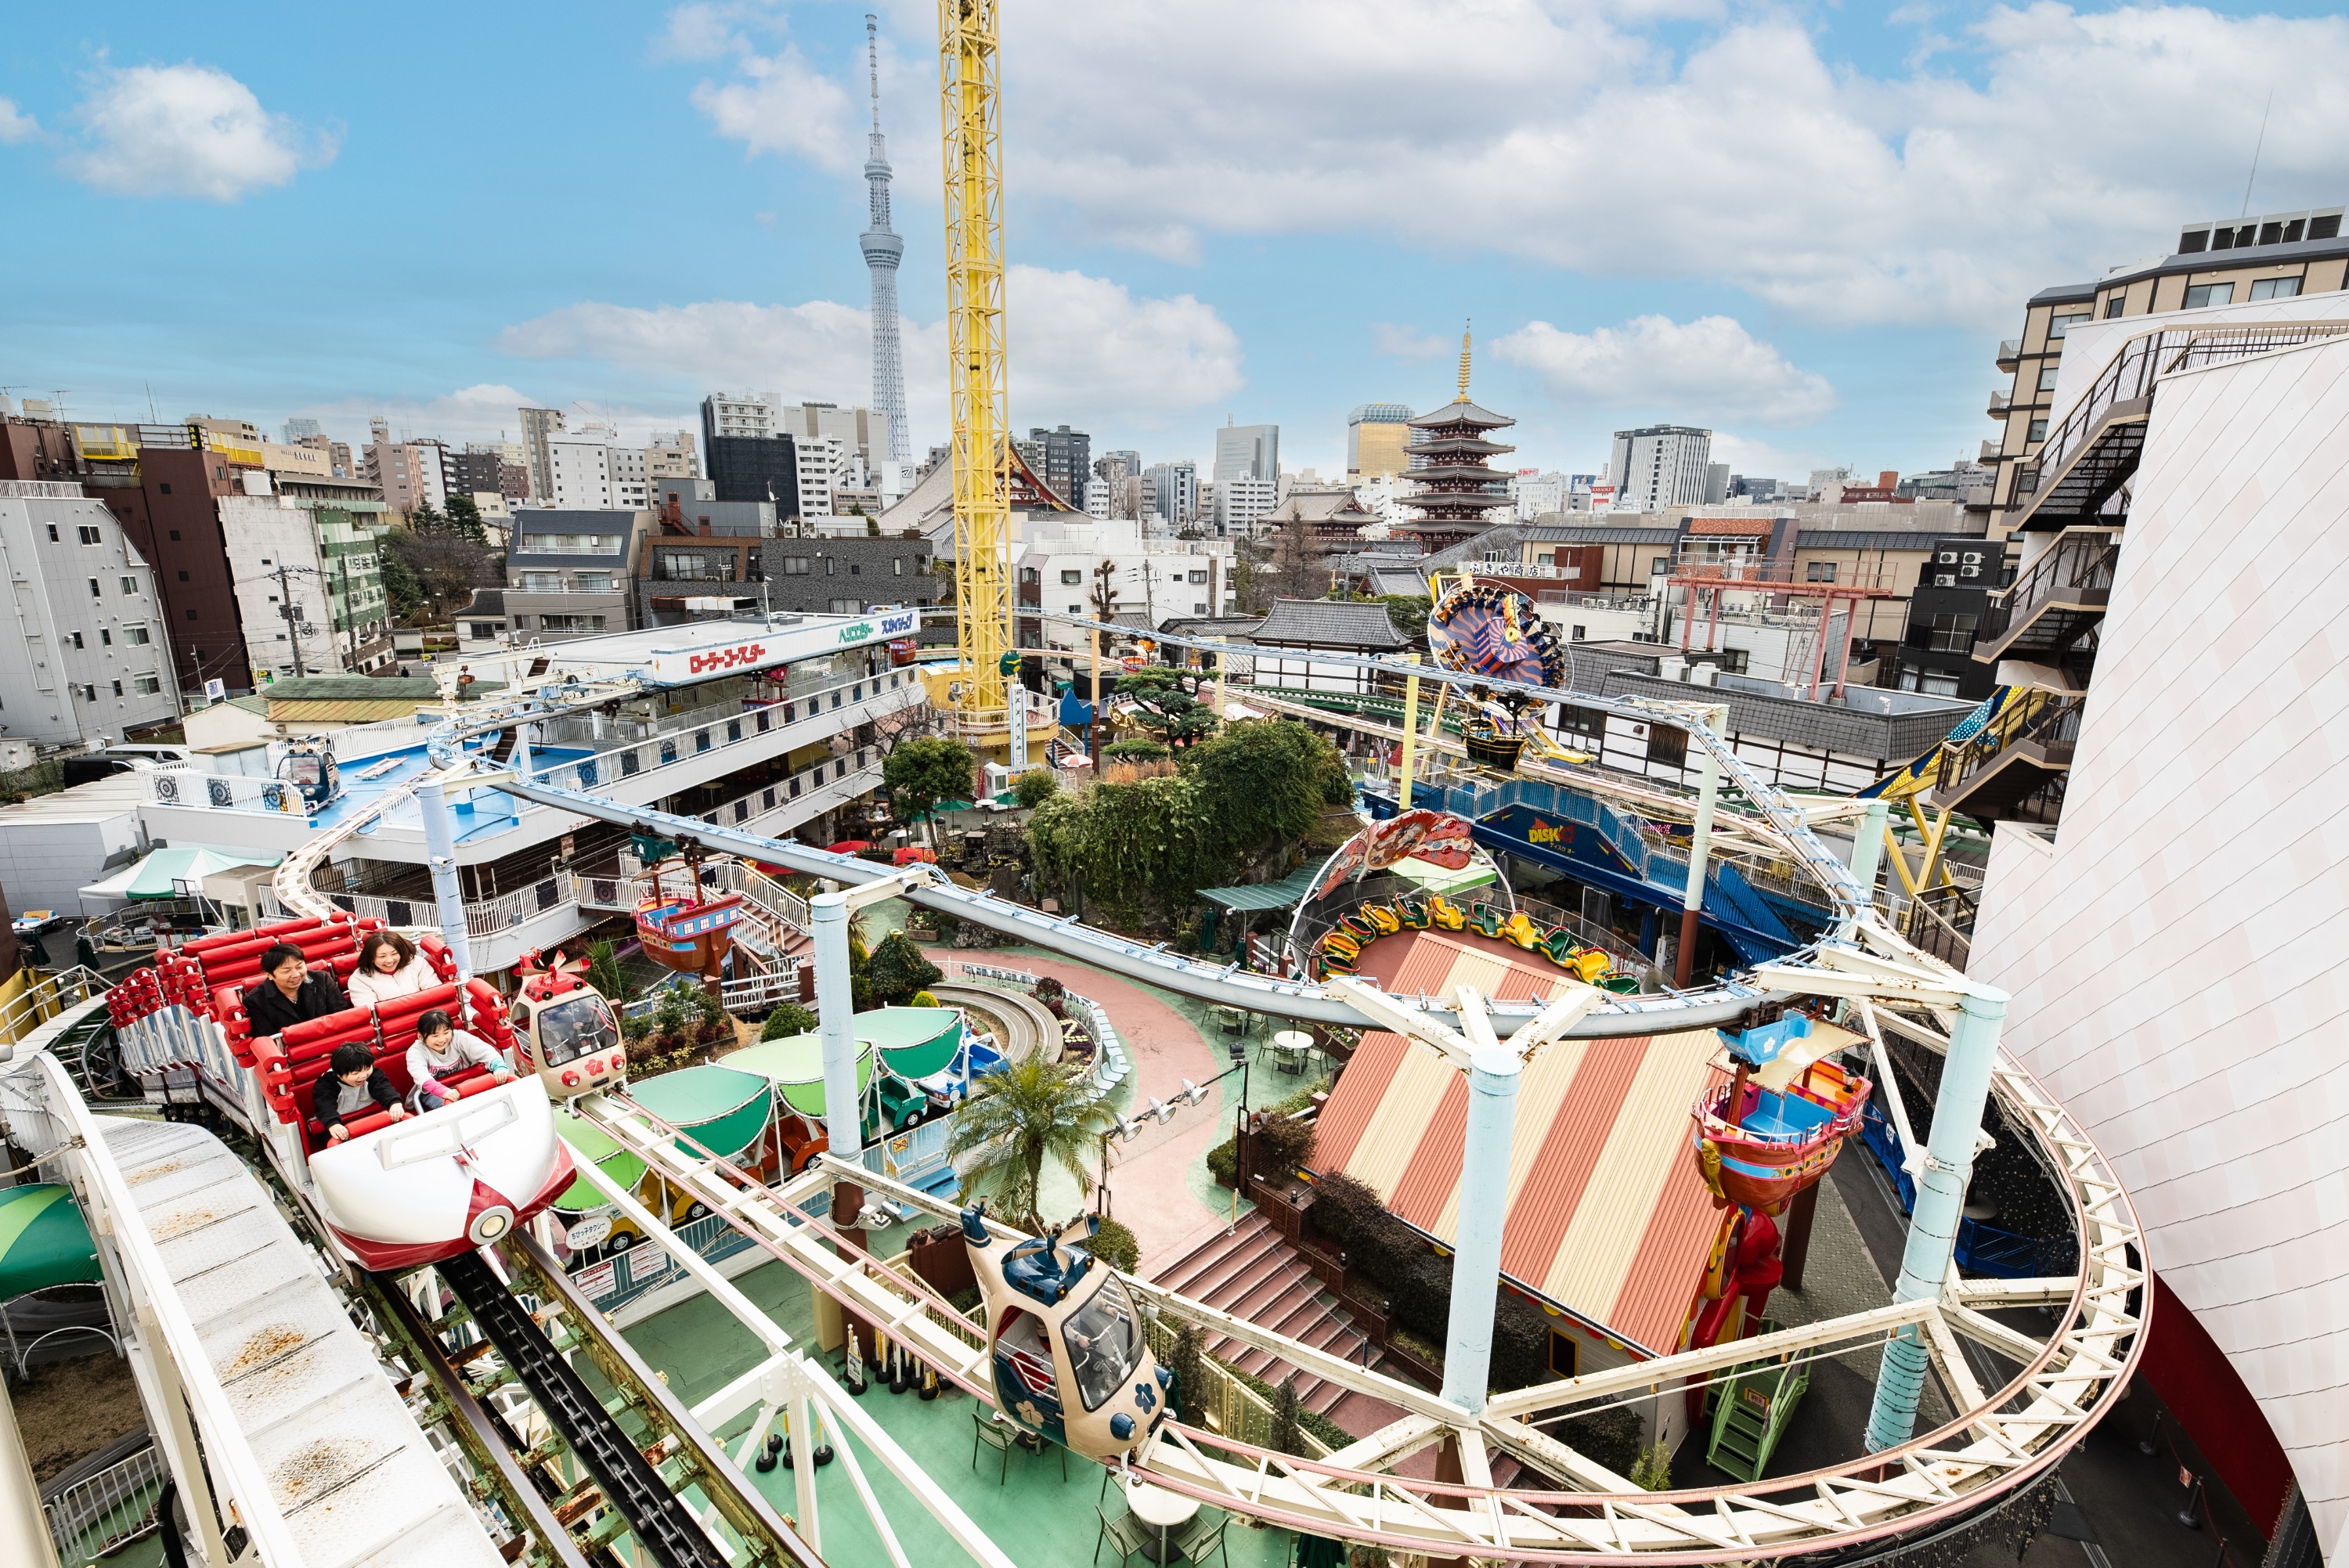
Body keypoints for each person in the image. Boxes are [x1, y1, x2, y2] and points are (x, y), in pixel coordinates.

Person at [405, 1008, 514, 1111]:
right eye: (435, 1036)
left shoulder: (459, 1037)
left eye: (446, 1033)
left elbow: (486, 1051)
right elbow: (422, 1077)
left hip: (465, 1082)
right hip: (433, 1092)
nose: (442, 1039)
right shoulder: (416, 1052)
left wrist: (499, 1068)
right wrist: (444, 1091)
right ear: (421, 1036)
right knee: (455, 1108)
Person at [245, 943, 351, 1038]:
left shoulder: (322, 979)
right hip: (293, 1055)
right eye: (286, 971)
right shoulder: (255, 1001)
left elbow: (342, 1015)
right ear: (269, 974)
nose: (296, 974)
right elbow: (269, 1039)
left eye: (299, 966)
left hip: (331, 1043)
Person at [312, 1042, 405, 1142]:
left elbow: (383, 1088)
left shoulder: (373, 1074)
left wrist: (394, 1103)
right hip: (341, 1122)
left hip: (371, 1116)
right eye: (356, 1073)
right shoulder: (326, 1084)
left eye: (367, 1068)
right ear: (339, 1075)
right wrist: (333, 1124)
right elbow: (325, 1106)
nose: (363, 1076)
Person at [347, 930, 434, 1008]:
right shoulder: (359, 980)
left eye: (394, 953)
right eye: (382, 956)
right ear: (371, 958)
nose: (389, 960)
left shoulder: (417, 963)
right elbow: (370, 1013)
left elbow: (434, 993)